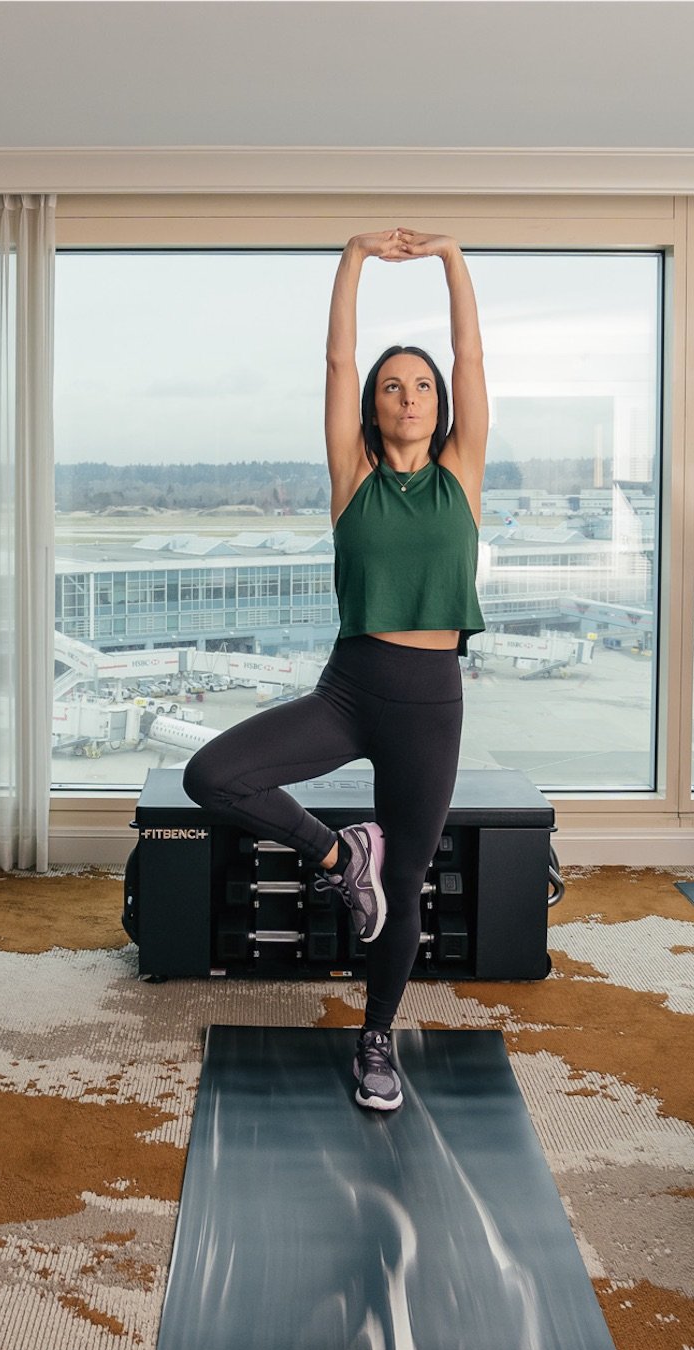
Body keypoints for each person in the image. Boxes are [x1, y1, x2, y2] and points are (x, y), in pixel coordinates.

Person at [180, 226, 487, 1113]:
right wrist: (353, 258)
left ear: (440, 405)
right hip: (350, 688)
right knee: (214, 774)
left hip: (430, 702)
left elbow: (469, 351)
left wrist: (452, 260)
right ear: (372, 406)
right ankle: (332, 849)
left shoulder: (462, 472)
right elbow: (334, 355)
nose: (410, 396)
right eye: (392, 386)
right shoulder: (350, 473)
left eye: (422, 386)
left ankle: (378, 1037)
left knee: (404, 889)